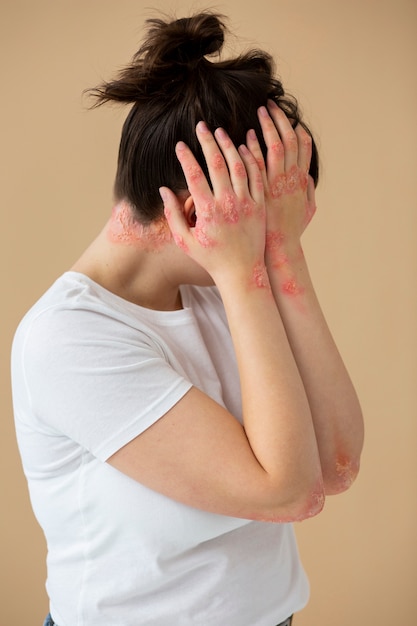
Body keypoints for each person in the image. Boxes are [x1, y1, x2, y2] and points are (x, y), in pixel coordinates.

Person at [11, 11, 364, 626]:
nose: (272, 235)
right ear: (198, 210)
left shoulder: (221, 289)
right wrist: (242, 271)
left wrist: (284, 255)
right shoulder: (66, 339)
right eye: (265, 217)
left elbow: (335, 466)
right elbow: (288, 492)